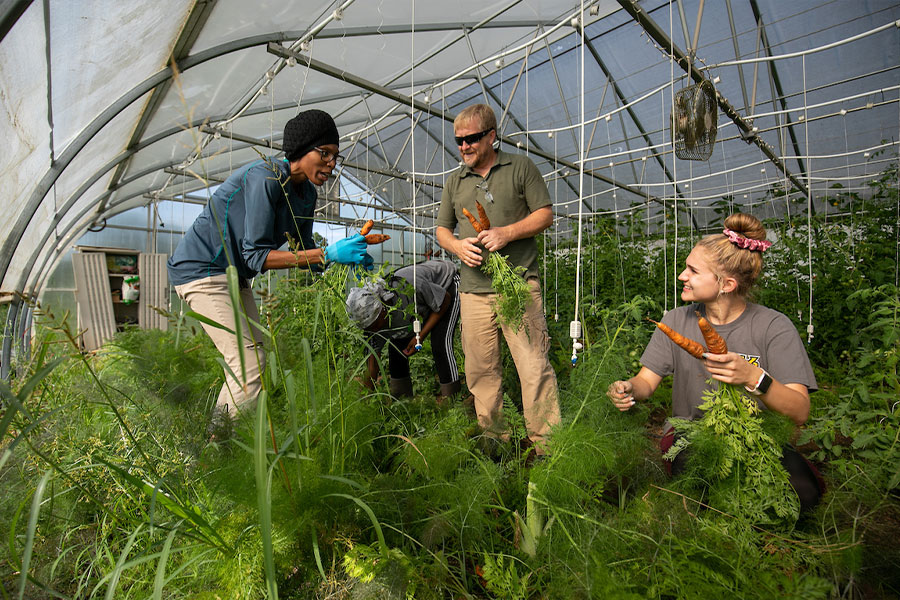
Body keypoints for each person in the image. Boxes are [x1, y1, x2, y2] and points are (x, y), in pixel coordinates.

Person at [167, 109, 370, 435]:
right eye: (325, 153)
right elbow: (257, 254)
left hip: (235, 275)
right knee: (249, 366)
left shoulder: (307, 195)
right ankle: (213, 449)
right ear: (302, 150)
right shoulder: (266, 177)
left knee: (253, 362)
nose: (332, 163)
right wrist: (329, 252)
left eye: (336, 156)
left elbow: (302, 250)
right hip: (202, 271)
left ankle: (222, 435)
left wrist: (344, 266)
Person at [607, 213, 823, 510]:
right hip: (690, 435)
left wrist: (753, 377)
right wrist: (628, 388)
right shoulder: (676, 320)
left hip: (755, 437)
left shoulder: (774, 326)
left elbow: (799, 411)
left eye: (693, 271)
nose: (682, 276)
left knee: (803, 493)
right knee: (702, 480)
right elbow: (646, 382)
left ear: (727, 284)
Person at [435, 103, 560, 455]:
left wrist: (507, 233)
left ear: (492, 136)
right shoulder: (455, 181)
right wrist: (458, 247)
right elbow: (442, 230)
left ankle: (547, 449)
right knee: (480, 371)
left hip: (517, 285)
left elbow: (546, 214)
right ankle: (497, 444)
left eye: (471, 139)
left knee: (533, 365)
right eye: (458, 141)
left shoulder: (520, 167)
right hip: (473, 292)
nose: (464, 147)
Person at [346, 259, 461, 400]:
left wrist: (420, 336)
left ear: (383, 309)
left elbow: (444, 301)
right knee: (396, 348)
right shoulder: (371, 323)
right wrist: (365, 399)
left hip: (447, 285)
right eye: (369, 328)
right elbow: (372, 363)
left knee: (440, 343)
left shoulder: (408, 288)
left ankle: (453, 400)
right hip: (420, 303)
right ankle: (402, 401)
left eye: (375, 325)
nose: (374, 331)